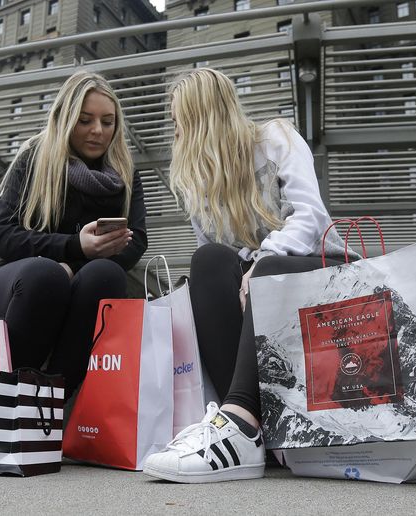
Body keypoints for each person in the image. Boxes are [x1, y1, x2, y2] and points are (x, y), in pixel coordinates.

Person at [142, 68, 355, 483]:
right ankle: (242, 427)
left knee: (270, 269)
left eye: (177, 121)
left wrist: (261, 262)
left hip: (316, 269)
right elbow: (215, 251)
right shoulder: (196, 183)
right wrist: (246, 268)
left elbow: (309, 217)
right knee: (208, 263)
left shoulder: (276, 137)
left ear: (200, 115)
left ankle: (240, 419)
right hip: (256, 282)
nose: (175, 132)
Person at [0, 71, 147, 395]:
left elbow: (136, 239)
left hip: (85, 283)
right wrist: (73, 247)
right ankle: (13, 398)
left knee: (107, 274)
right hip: (18, 283)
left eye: (108, 121)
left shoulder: (126, 173)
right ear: (65, 118)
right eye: (85, 120)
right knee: (46, 275)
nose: (98, 131)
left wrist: (78, 263)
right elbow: (5, 236)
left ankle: (55, 403)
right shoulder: (34, 157)